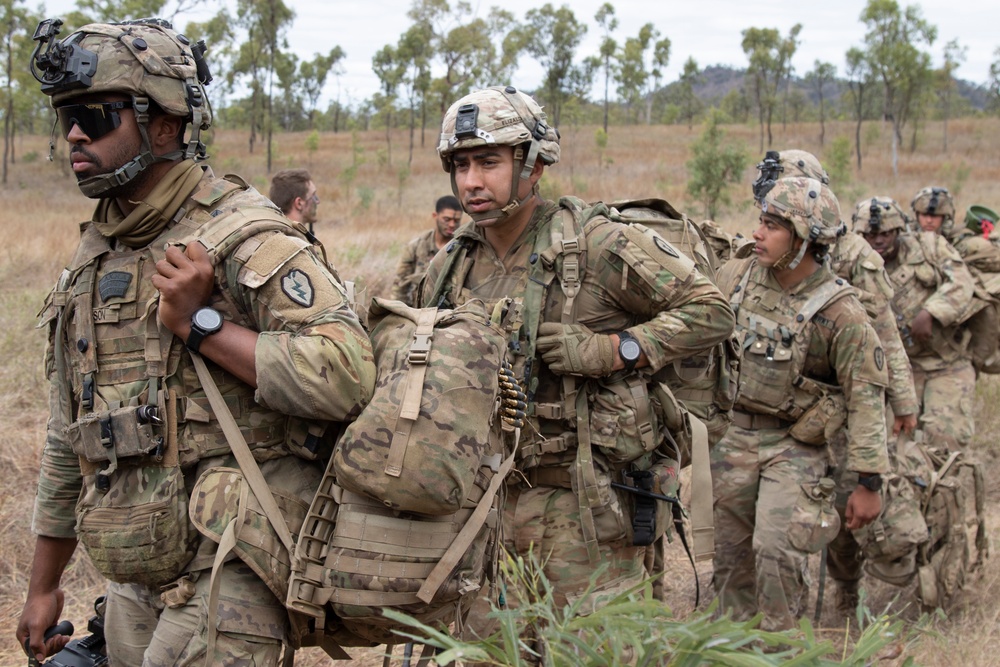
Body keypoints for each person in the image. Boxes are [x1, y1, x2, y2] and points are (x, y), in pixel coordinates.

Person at [17, 18, 375, 666]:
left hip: (231, 564)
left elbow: (346, 370)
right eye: (67, 116)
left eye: (95, 115)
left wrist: (201, 324)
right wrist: (43, 585)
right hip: (135, 577)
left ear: (164, 124)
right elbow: (69, 433)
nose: (74, 133)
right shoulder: (94, 258)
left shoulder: (242, 235)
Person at [420, 85, 734, 610]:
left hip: (587, 510)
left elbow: (711, 310)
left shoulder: (597, 243)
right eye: (461, 164)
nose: (471, 181)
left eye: (489, 162)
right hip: (483, 509)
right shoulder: (448, 266)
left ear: (533, 165)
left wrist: (615, 350)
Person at [712, 176, 889, 632]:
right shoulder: (737, 275)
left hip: (793, 448)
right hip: (731, 439)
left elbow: (866, 395)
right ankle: (731, 652)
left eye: (772, 225)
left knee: (776, 556)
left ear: (805, 239)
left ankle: (782, 650)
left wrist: (869, 480)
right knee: (730, 561)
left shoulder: (840, 311)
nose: (757, 232)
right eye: (760, 221)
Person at [754, 150, 919, 619]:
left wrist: (903, 403)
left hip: (845, 403)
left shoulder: (857, 258)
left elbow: (883, 335)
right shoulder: (771, 249)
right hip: (786, 409)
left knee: (844, 507)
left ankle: (845, 593)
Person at [854, 195, 978, 453]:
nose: (878, 240)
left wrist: (932, 312)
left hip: (945, 365)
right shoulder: (853, 262)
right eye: (869, 234)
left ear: (899, 229)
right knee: (891, 449)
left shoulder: (930, 246)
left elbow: (962, 282)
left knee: (944, 442)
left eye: (886, 233)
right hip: (893, 374)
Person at [389, 195, 463, 305]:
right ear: (435, 216)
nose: (452, 225)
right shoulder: (416, 247)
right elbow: (400, 286)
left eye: (456, 221)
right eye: (447, 219)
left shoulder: (463, 249)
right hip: (418, 313)